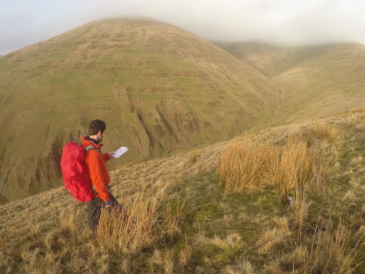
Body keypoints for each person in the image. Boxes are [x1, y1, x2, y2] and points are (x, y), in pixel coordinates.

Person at [81, 119, 120, 234]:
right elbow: (97, 178)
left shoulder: (87, 146)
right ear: (99, 132)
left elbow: (94, 165)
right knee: (119, 212)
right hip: (98, 191)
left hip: (91, 191)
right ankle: (137, 229)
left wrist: (107, 155)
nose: (103, 135)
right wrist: (107, 200)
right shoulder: (93, 153)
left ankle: (100, 237)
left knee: (93, 219)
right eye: (103, 133)